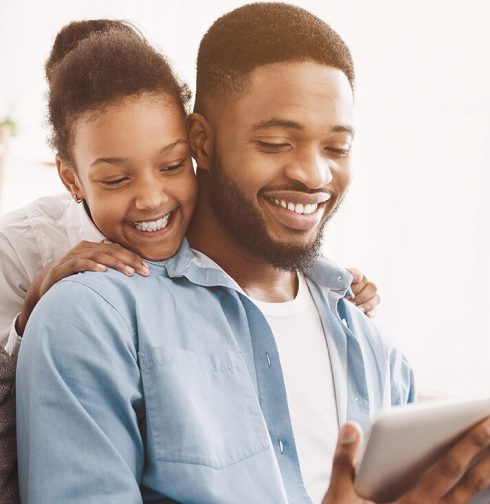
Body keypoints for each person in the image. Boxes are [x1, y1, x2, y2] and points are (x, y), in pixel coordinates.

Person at [16, 4, 490, 504]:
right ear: (202, 141)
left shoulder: (370, 342)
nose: (313, 174)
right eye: (276, 142)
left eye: (336, 148)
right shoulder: (93, 312)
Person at [0, 19, 381, 356]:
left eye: (172, 165)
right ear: (71, 179)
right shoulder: (21, 248)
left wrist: (329, 281)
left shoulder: (211, 212)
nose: (152, 199)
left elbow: (265, 242)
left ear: (196, 146)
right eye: (116, 179)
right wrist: (33, 312)